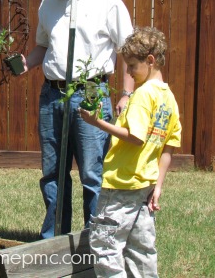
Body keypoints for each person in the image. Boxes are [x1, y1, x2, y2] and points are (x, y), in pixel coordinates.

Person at [21, 0, 134, 239]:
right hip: (52, 95)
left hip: (91, 92)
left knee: (92, 174)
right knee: (53, 172)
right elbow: (43, 46)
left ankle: (95, 240)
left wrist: (125, 93)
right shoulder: (49, 2)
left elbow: (128, 51)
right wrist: (27, 63)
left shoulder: (106, 1)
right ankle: (54, 239)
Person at [79, 26, 182, 277]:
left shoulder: (143, 95)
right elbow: (169, 147)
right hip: (144, 186)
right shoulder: (168, 98)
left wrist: (97, 123)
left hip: (121, 185)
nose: (128, 72)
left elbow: (136, 137)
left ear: (150, 61)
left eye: (132, 66)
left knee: (106, 246)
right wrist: (158, 186)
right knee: (141, 248)